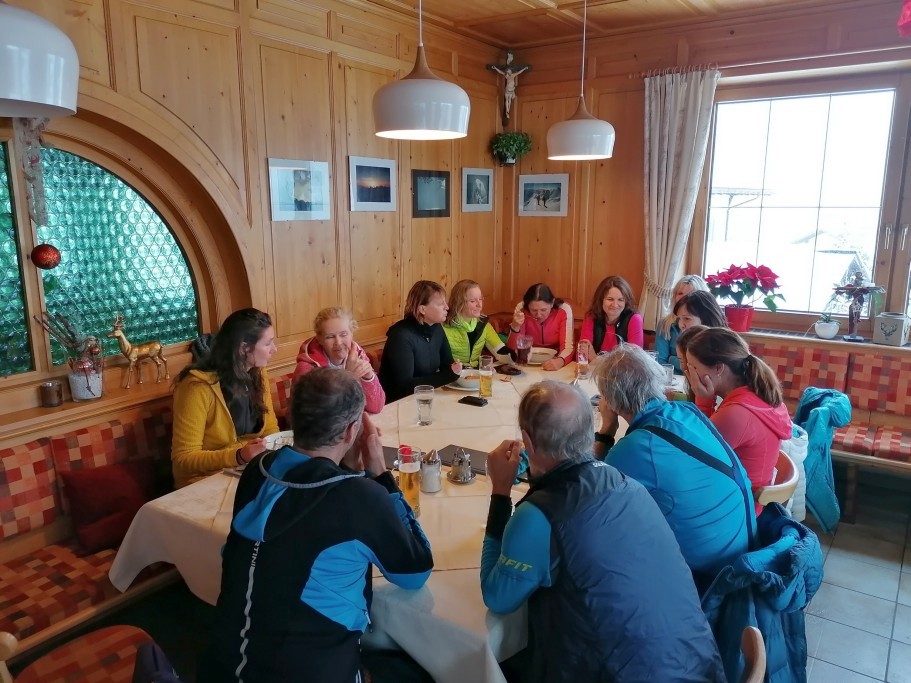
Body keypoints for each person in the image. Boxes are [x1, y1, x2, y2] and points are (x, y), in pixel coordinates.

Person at [480, 381, 725, 683]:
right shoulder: (626, 482)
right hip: (700, 667)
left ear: (527, 442)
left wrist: (500, 492)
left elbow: (497, 598)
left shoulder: (538, 517)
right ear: (589, 430)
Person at [200, 368, 434, 683]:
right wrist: (380, 474)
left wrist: (350, 471)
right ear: (352, 431)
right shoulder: (362, 497)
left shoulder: (259, 470)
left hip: (220, 667)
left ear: (293, 419)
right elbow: (415, 572)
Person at [592, 345, 754, 584]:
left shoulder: (636, 448)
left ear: (611, 401)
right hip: (743, 548)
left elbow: (589, 495)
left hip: (710, 579)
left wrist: (606, 431)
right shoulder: (688, 411)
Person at [686, 328, 792, 514]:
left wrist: (702, 399)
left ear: (718, 368)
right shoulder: (757, 396)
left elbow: (691, 457)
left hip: (736, 512)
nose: (689, 373)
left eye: (693, 367)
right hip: (747, 502)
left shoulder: (736, 414)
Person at [171, 308, 279, 489]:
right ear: (244, 348)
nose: (274, 349)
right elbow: (184, 459)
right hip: (203, 481)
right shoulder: (196, 387)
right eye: (268, 344)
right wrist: (238, 455)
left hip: (248, 471)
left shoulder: (258, 373)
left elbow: (270, 429)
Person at [379, 280, 462, 403]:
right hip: (397, 403)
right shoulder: (400, 335)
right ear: (422, 309)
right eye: (441, 304)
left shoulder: (436, 328)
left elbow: (448, 366)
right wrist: (449, 375)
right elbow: (404, 386)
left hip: (425, 397)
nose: (447, 307)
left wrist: (455, 369)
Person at [293, 307, 385, 413]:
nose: (338, 342)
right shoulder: (307, 369)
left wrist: (368, 378)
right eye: (330, 337)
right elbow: (319, 416)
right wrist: (348, 378)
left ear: (352, 334)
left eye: (343, 334)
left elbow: (377, 407)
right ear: (319, 339)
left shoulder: (358, 355)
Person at [505, 283, 574, 370]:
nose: (538, 315)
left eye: (543, 310)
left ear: (552, 303)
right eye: (533, 310)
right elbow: (513, 349)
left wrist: (560, 361)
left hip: (555, 360)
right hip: (528, 361)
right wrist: (515, 327)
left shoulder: (564, 309)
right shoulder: (521, 309)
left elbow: (568, 347)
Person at [443, 279, 510, 366]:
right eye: (473, 301)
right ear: (459, 303)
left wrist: (514, 356)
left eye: (480, 299)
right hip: (452, 373)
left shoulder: (483, 323)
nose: (479, 305)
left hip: (475, 372)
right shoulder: (443, 327)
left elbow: (500, 350)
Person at [578, 275, 643, 358]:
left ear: (626, 302)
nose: (615, 305)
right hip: (593, 367)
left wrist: (595, 358)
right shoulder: (591, 317)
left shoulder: (634, 319)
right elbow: (582, 356)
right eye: (610, 299)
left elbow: (634, 360)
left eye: (620, 300)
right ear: (601, 300)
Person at [655, 275, 709, 373]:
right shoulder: (665, 324)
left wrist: (672, 359)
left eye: (691, 294)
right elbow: (660, 361)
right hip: (672, 378)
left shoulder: (710, 327)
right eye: (680, 293)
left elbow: (703, 367)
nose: (684, 298)